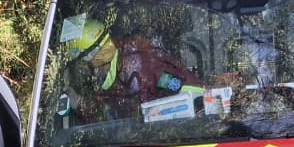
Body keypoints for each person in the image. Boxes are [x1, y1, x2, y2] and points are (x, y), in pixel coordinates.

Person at [66, 17, 202, 120]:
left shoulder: (138, 71)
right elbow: (106, 106)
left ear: (97, 54)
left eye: (84, 59)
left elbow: (187, 88)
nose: (84, 65)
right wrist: (79, 103)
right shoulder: (112, 68)